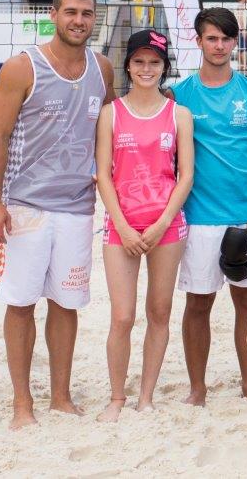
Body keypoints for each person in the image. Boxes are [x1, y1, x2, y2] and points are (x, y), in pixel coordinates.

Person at [0, 0, 114, 429]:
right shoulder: (22, 68)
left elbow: (109, 128)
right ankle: (23, 405)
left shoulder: (103, 68)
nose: (79, 21)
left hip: (78, 207)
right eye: (72, 12)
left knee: (65, 303)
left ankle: (60, 396)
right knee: (20, 304)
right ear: (54, 14)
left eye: (87, 13)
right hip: (25, 205)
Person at [171, 8, 247, 406]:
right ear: (198, 41)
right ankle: (197, 390)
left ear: (235, 43)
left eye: (226, 39)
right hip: (198, 217)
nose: (219, 45)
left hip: (246, 215)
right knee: (198, 303)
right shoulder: (180, 94)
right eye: (212, 38)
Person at [95, 30, 194, 421]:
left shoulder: (178, 114)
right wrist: (123, 224)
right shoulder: (111, 113)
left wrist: (161, 222)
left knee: (159, 312)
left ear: (164, 67)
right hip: (122, 225)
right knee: (122, 316)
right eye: (139, 61)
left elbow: (185, 174)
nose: (146, 68)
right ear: (129, 66)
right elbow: (103, 174)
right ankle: (117, 397)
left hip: (166, 226)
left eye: (154, 62)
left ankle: (146, 396)